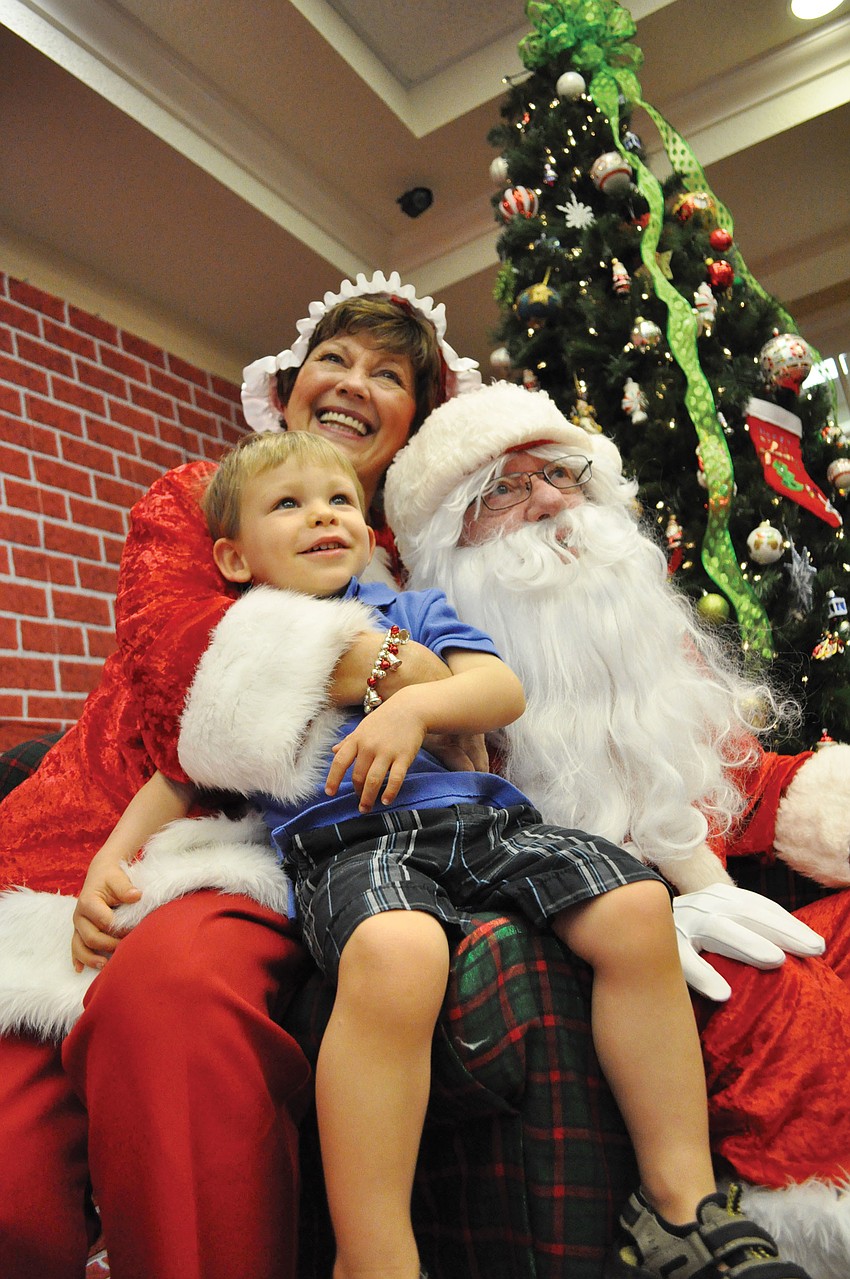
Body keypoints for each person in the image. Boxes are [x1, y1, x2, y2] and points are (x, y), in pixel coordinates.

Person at [141, 427, 808, 1279]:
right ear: (235, 558)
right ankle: (374, 1255)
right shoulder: (249, 646)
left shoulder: (412, 610)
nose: (323, 517)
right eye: (289, 504)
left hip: (477, 821)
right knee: (397, 950)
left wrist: (417, 708)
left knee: (637, 904)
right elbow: (185, 767)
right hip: (348, 843)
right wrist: (111, 865)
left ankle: (680, 1203)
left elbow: (502, 691)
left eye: (341, 500)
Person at [0, 271, 482, 1279]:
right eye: (334, 360)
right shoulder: (196, 497)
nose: (354, 382)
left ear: (418, 422)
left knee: (172, 999)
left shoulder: (423, 568)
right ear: (290, 385)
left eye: (388, 374)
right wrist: (389, 660)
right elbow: (187, 672)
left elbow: (475, 722)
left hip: (265, 858)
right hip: (68, 856)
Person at [382, 378, 850, 1277]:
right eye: (507, 489)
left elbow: (732, 780)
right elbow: (452, 836)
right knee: (769, 986)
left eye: (561, 472)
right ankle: (805, 1226)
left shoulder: (643, 638)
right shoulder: (450, 676)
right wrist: (639, 915)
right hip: (607, 936)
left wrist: (822, 798)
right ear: (449, 541)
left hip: (713, 891)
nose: (552, 501)